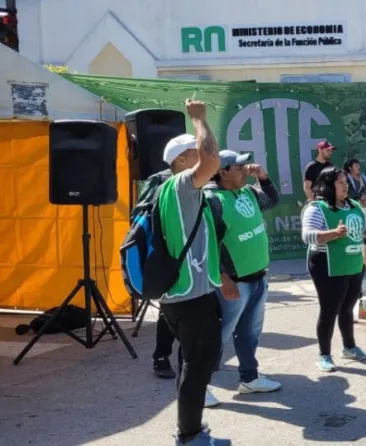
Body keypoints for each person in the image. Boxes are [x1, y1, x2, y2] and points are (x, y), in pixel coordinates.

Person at [156, 99, 227, 445]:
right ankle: (189, 435)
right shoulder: (183, 184)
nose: (201, 158)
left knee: (192, 365)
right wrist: (199, 118)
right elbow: (212, 160)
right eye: (193, 151)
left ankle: (191, 428)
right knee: (196, 368)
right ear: (181, 161)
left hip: (182, 295)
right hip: (190, 298)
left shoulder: (169, 189)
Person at [201, 150, 282, 405]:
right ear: (223, 172)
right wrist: (223, 277)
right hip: (234, 283)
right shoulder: (212, 200)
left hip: (258, 277)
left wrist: (264, 177)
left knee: (250, 332)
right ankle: (198, 386)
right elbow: (207, 244)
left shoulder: (247, 192)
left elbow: (272, 200)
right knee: (218, 335)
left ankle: (249, 378)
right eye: (239, 166)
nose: (246, 169)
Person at [302, 166, 366, 372]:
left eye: (346, 183)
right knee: (329, 310)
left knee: (347, 308)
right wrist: (333, 234)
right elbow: (307, 235)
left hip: (353, 264)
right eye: (340, 183)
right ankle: (324, 355)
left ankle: (350, 348)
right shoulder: (316, 208)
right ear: (327, 186)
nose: (345, 187)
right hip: (327, 265)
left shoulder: (354, 205)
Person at [134, 167, 178, 380]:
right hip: (167, 256)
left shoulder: (205, 177)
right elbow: (139, 216)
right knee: (168, 311)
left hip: (199, 257)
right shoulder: (159, 179)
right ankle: (161, 358)